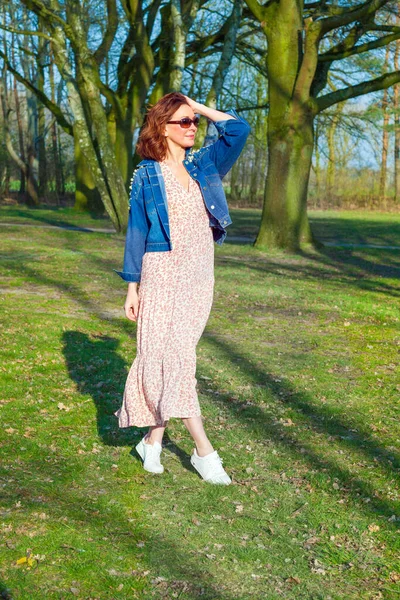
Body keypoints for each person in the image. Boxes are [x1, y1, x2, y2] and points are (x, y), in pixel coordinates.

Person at [114, 92, 251, 484]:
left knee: (178, 353)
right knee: (170, 355)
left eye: (195, 122)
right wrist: (132, 287)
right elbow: (136, 232)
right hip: (161, 269)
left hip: (198, 273)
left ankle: (151, 441)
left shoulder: (203, 164)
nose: (192, 127)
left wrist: (198, 105)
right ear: (163, 128)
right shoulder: (147, 174)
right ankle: (204, 452)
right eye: (183, 122)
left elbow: (239, 131)